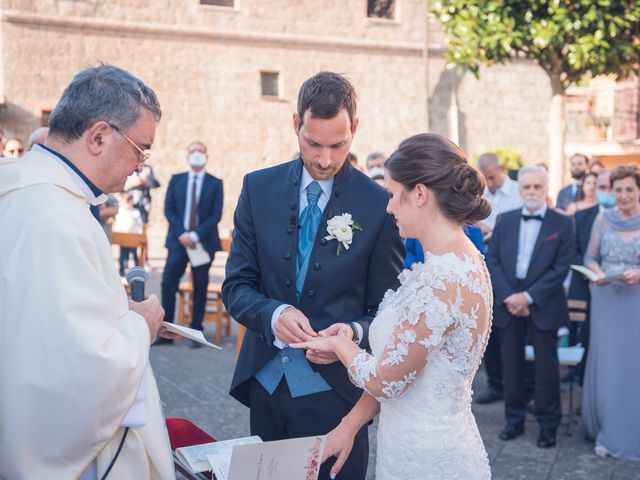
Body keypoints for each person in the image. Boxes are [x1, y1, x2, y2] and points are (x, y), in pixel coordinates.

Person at [222, 71, 404, 480]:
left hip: (336, 395)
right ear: (295, 125)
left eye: (338, 145)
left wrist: (353, 333)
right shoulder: (257, 188)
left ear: (354, 129)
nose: (324, 158)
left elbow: (388, 311)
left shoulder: (379, 206)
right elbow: (236, 286)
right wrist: (271, 314)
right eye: (313, 143)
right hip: (265, 385)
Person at [0, 65, 174, 479]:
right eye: (140, 149)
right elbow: (81, 368)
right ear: (98, 137)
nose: (139, 167)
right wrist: (141, 325)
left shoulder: (22, 191)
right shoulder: (55, 217)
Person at [291, 133, 493, 479]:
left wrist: (340, 345)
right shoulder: (456, 262)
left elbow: (387, 381)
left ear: (418, 194)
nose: (387, 208)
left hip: (428, 458)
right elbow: (408, 367)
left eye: (391, 195)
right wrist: (349, 425)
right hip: (419, 443)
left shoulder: (440, 280)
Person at [486, 166, 574, 449]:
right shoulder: (505, 219)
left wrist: (529, 297)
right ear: (520, 190)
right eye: (527, 187)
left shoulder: (563, 224)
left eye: (537, 187)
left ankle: (548, 425)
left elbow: (561, 268)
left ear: (546, 190)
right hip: (508, 302)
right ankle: (514, 421)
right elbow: (493, 259)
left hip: (543, 303)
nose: (532, 192)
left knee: (546, 368)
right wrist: (510, 296)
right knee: (510, 365)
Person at [581, 165, 640, 461]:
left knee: (634, 365)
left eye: (630, 189)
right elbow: (590, 256)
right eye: (618, 190)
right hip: (606, 296)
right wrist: (599, 272)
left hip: (636, 299)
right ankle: (607, 430)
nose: (624, 195)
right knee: (609, 364)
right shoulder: (603, 219)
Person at [160, 141, 223, 348]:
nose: (196, 154)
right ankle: (166, 331)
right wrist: (182, 234)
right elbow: (169, 209)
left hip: (202, 244)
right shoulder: (177, 180)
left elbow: (216, 215)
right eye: (192, 151)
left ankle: (196, 331)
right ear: (187, 155)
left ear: (207, 156)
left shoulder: (215, 183)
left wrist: (195, 236)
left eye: (200, 151)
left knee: (200, 286)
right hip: (178, 242)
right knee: (168, 283)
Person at [475, 152, 522, 404]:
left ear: (501, 169)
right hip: (485, 266)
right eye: (486, 179)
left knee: (512, 331)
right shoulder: (480, 194)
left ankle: (520, 386)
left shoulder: (517, 191)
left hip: (512, 268)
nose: (490, 183)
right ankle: (495, 384)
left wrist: (494, 231)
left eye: (492, 177)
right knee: (489, 330)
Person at [567, 169, 613, 383]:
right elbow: (573, 250)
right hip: (588, 289)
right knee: (589, 340)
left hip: (622, 291)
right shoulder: (582, 216)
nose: (607, 191)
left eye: (611, 187)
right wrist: (591, 271)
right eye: (602, 187)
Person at [114, 191, 145, 276]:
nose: (128, 203)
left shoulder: (135, 212)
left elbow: (140, 224)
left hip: (133, 237)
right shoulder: (121, 211)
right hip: (123, 237)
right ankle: (122, 270)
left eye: (130, 201)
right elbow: (117, 223)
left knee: (134, 254)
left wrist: (139, 234)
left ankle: (137, 270)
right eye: (127, 201)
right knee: (123, 255)